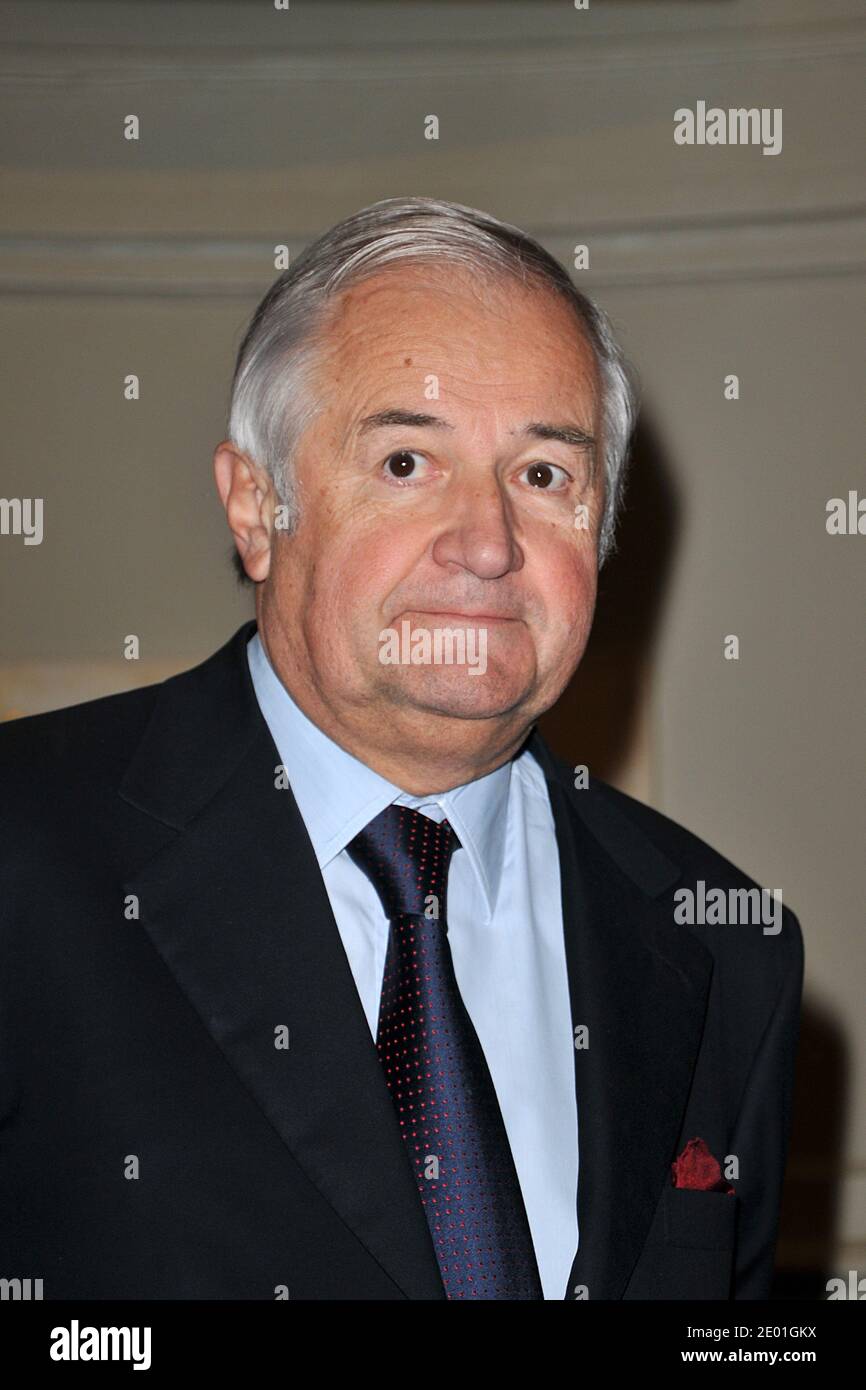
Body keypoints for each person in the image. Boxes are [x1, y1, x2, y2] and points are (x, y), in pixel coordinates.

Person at [0, 197, 803, 1300]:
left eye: (540, 476)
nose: (485, 546)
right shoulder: (26, 855)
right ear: (253, 504)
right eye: (404, 463)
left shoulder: (721, 946)